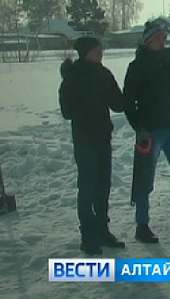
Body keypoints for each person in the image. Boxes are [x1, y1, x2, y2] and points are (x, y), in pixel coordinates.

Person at [123, 22, 170, 243]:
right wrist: (139, 127)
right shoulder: (137, 66)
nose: (164, 41)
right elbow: (128, 101)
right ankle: (142, 225)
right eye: (160, 37)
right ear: (149, 40)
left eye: (165, 37)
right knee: (145, 180)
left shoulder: (169, 62)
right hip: (150, 132)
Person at [58, 36, 125, 255]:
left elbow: (117, 103)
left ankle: (102, 230)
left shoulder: (104, 74)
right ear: (87, 52)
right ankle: (88, 236)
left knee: (103, 185)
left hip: (103, 137)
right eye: (98, 49)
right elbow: (67, 111)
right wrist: (89, 105)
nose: (101, 52)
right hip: (84, 138)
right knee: (87, 187)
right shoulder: (73, 76)